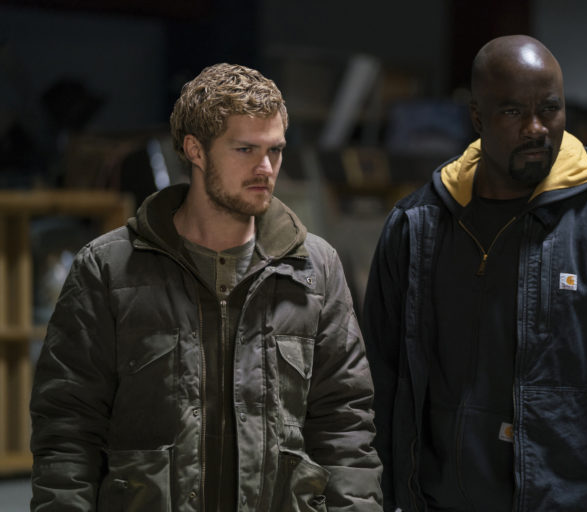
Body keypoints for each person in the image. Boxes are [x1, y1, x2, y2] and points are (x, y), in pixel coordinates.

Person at [362, 35, 587, 511]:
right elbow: (379, 386)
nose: (536, 128)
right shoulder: (417, 228)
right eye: (513, 111)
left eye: (550, 109)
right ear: (478, 117)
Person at [30, 63, 383, 511]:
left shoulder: (315, 269)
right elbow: (68, 431)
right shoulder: (109, 270)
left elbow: (344, 425)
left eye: (275, 150)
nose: (266, 168)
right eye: (245, 149)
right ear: (195, 150)